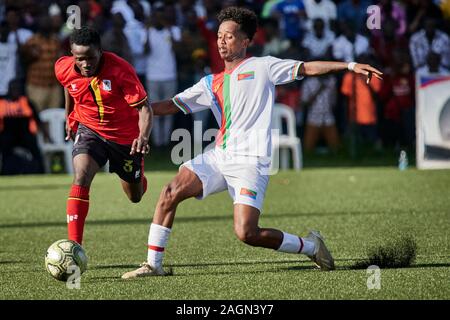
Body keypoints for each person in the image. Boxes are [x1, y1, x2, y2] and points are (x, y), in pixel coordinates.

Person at [122, 7, 382, 278]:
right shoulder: (211, 83)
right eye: (220, 36)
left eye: (230, 36)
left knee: (247, 233)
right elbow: (169, 105)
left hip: (251, 161)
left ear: (246, 41)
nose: (222, 41)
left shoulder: (263, 66)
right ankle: (153, 264)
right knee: (169, 192)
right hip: (219, 156)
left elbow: (307, 67)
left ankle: (311, 246)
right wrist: (133, 107)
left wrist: (350, 66)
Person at [54, 27, 152, 245]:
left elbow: (145, 108)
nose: (86, 63)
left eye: (91, 57)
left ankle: (137, 176)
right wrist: (69, 116)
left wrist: (143, 136)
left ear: (100, 51)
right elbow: (68, 87)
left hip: (124, 138)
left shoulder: (120, 70)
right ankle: (74, 248)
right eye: (80, 58)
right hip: (90, 130)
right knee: (81, 176)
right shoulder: (63, 67)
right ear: (72, 54)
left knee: (135, 196)